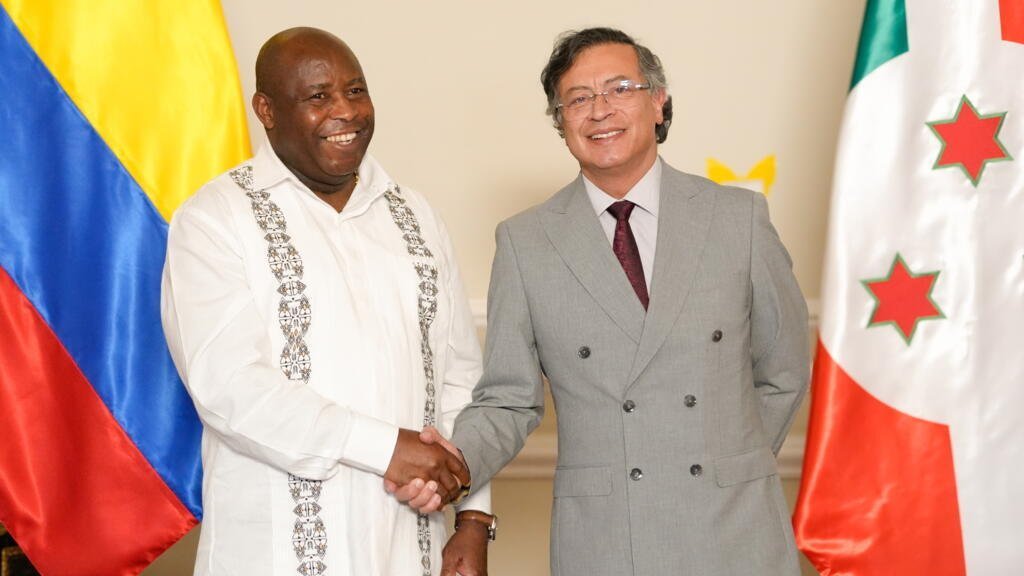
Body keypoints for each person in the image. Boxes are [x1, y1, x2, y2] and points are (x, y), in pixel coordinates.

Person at [408, 26, 810, 575]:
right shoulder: (526, 242)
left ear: (658, 103)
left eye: (621, 89)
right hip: (606, 539)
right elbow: (509, 398)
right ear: (561, 122)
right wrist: (451, 462)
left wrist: (729, 461)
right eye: (577, 98)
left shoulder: (738, 218)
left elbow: (784, 370)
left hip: (734, 528)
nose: (600, 110)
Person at [160, 27, 491, 576]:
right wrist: (388, 446)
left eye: (356, 91)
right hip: (278, 551)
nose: (345, 112)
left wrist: (474, 519)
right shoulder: (215, 219)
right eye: (318, 97)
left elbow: (460, 379)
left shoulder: (416, 216)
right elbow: (229, 386)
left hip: (414, 546)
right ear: (266, 110)